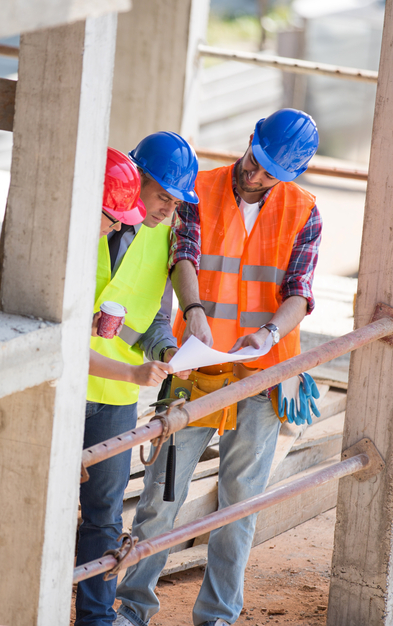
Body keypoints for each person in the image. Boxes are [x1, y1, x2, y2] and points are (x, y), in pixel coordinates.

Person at [114, 109, 323, 626]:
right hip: (195, 366)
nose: (255, 176)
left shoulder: (305, 210)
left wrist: (271, 333)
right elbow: (183, 256)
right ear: (250, 138)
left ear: (289, 175)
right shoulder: (197, 190)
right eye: (255, 161)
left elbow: (300, 292)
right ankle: (132, 608)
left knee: (239, 504)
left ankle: (218, 617)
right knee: (161, 499)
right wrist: (194, 313)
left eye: (270, 172)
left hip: (262, 371)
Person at [77, 138, 198, 626]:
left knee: (104, 518)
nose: (168, 209)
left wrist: (167, 350)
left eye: (176, 202)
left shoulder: (161, 236)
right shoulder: (84, 222)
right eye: (163, 196)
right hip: (62, 388)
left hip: (114, 397)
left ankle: (96, 619)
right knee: (36, 504)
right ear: (136, 178)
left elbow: (152, 322)